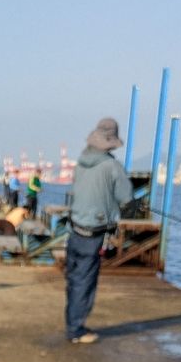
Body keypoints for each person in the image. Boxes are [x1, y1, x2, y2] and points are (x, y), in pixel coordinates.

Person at [64, 117, 133, 344]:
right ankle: (76, 330)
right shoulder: (112, 167)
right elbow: (126, 198)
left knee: (74, 279)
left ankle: (73, 323)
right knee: (85, 282)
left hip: (73, 229)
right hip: (93, 234)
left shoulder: (81, 162)